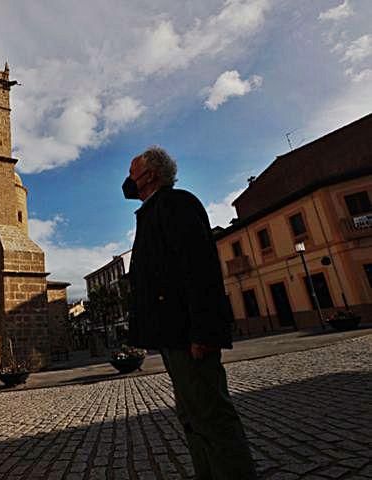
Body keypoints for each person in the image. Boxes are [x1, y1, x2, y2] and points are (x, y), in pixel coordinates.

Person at [123, 146, 257, 480]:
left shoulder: (176, 204)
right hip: (172, 334)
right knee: (191, 416)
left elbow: (201, 270)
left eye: (132, 171)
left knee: (211, 414)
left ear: (150, 175)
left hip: (189, 334)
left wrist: (205, 332)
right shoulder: (152, 211)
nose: (127, 179)